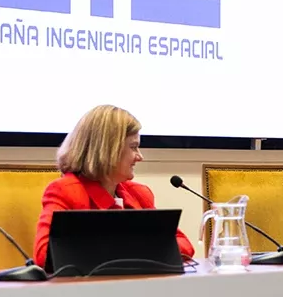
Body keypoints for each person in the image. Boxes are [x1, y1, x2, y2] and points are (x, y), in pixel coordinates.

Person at [33, 105, 194, 268]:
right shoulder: (66, 191)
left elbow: (185, 246)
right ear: (108, 150)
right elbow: (44, 255)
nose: (140, 157)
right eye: (133, 147)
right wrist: (140, 246)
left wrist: (119, 248)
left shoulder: (138, 193)